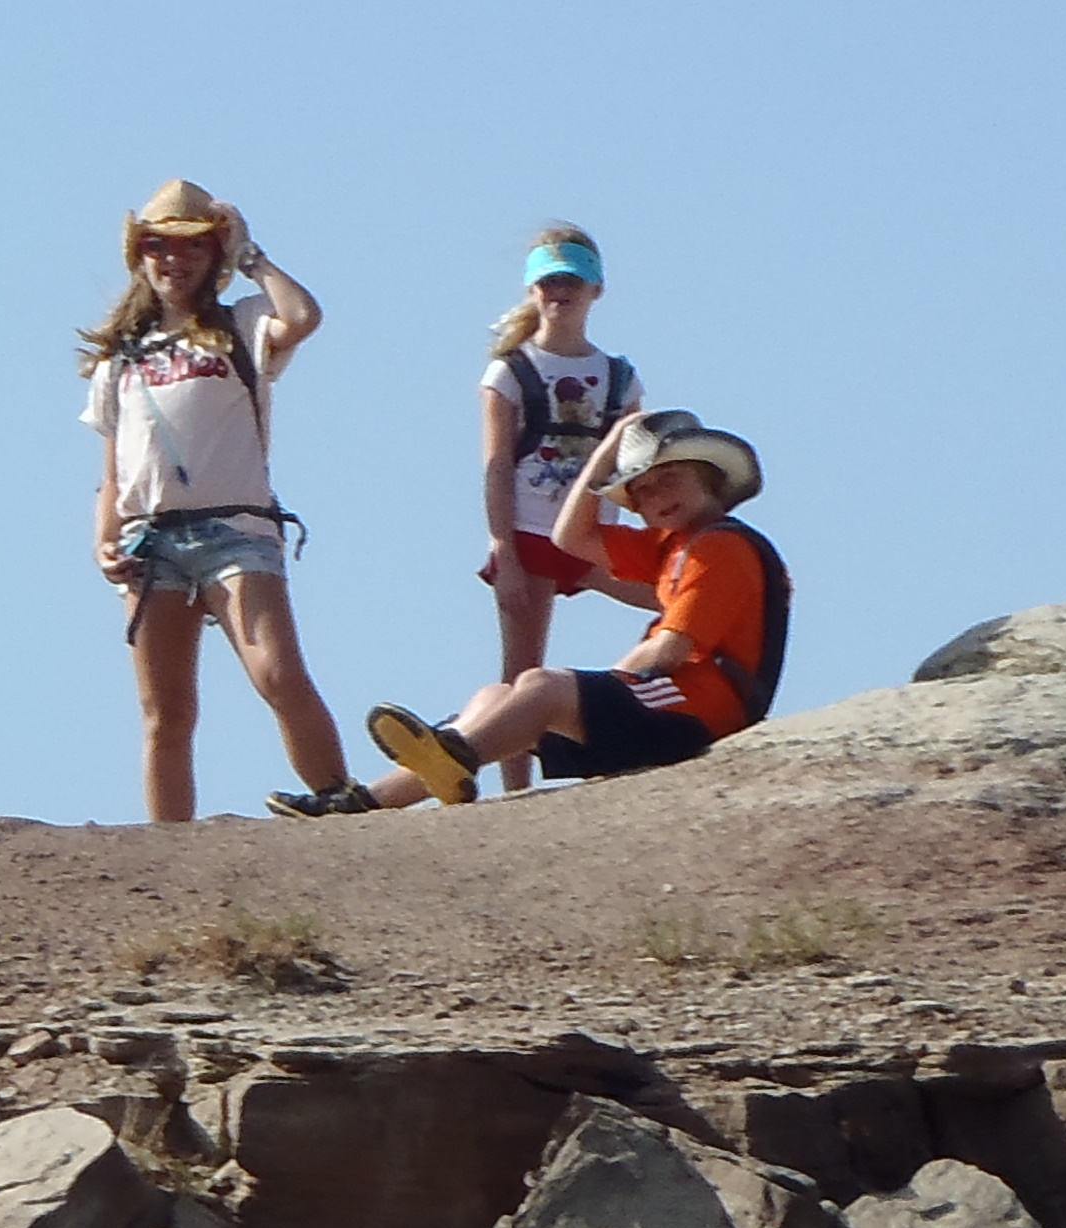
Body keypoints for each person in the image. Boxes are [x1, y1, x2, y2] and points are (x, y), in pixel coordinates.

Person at [79, 179, 373, 824]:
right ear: (140, 255)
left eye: (192, 245)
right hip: (150, 538)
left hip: (236, 529)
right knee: (166, 712)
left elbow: (303, 317)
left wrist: (252, 257)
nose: (174, 259)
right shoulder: (120, 361)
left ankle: (338, 801)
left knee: (277, 673)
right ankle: (170, 847)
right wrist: (103, 542)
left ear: (214, 255)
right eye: (158, 245)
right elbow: (113, 468)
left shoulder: (240, 326)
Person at [362, 409, 789, 808]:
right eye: (641, 491)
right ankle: (376, 797)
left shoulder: (720, 546)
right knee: (497, 697)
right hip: (670, 708)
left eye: (669, 478)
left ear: (708, 476)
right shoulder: (673, 545)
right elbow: (570, 538)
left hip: (701, 710)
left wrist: (600, 687)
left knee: (543, 687)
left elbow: (670, 650)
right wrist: (607, 450)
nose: (656, 496)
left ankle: (457, 754)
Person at [474, 227, 651, 794]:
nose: (560, 292)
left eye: (571, 280)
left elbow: (639, 473)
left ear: (596, 289)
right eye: (549, 281)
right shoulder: (510, 372)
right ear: (532, 290)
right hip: (530, 531)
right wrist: (502, 549)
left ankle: (639, 711)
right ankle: (516, 789)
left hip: (594, 535)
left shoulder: (619, 378)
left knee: (679, 601)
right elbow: (497, 465)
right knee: (523, 667)